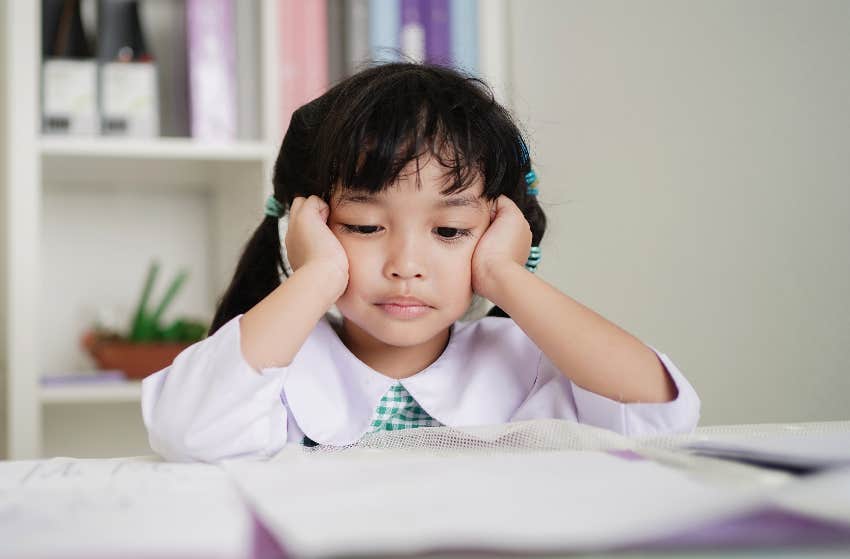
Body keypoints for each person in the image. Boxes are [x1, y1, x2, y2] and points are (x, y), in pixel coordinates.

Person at [142, 63, 700, 462]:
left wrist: (507, 276)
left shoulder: (525, 362)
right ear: (303, 226)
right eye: (364, 227)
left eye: (450, 231)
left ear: (500, 231)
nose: (407, 265)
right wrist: (315, 277)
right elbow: (188, 433)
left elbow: (660, 415)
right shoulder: (273, 365)